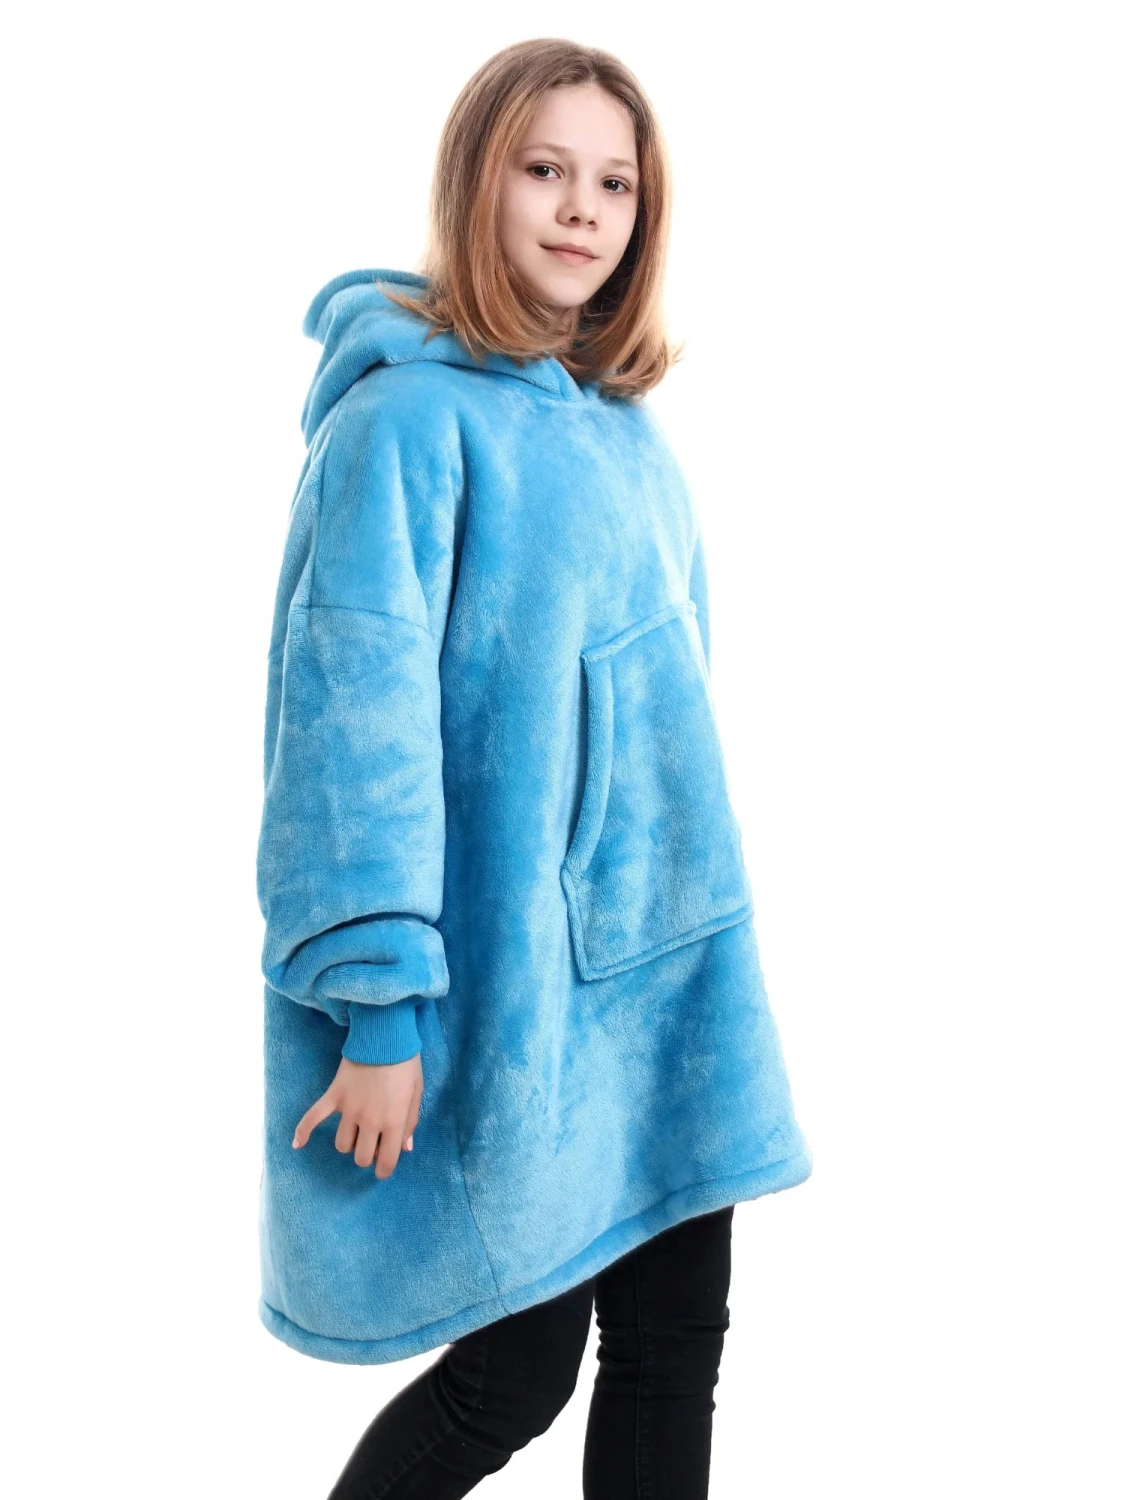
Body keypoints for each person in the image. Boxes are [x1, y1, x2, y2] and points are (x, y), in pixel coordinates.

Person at [255, 38, 813, 1499]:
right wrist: (380, 1006)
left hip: (668, 977)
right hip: (512, 994)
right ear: (477, 180)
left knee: (675, 1349)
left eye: (615, 183)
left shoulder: (626, 432)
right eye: (546, 168)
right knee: (512, 1376)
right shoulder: (402, 425)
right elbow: (349, 734)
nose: (582, 209)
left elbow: (672, 703)